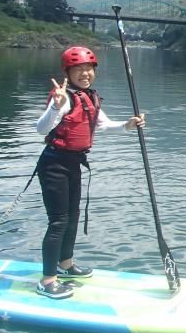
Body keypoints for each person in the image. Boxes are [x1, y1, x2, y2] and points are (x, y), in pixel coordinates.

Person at [34, 46, 144, 299]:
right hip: (54, 164)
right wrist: (55, 107)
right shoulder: (62, 99)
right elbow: (41, 130)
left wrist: (128, 125)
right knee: (58, 221)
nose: (85, 73)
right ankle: (47, 280)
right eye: (78, 69)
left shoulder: (89, 97)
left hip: (74, 163)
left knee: (72, 217)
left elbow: (104, 125)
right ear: (68, 72)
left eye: (89, 69)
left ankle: (66, 266)